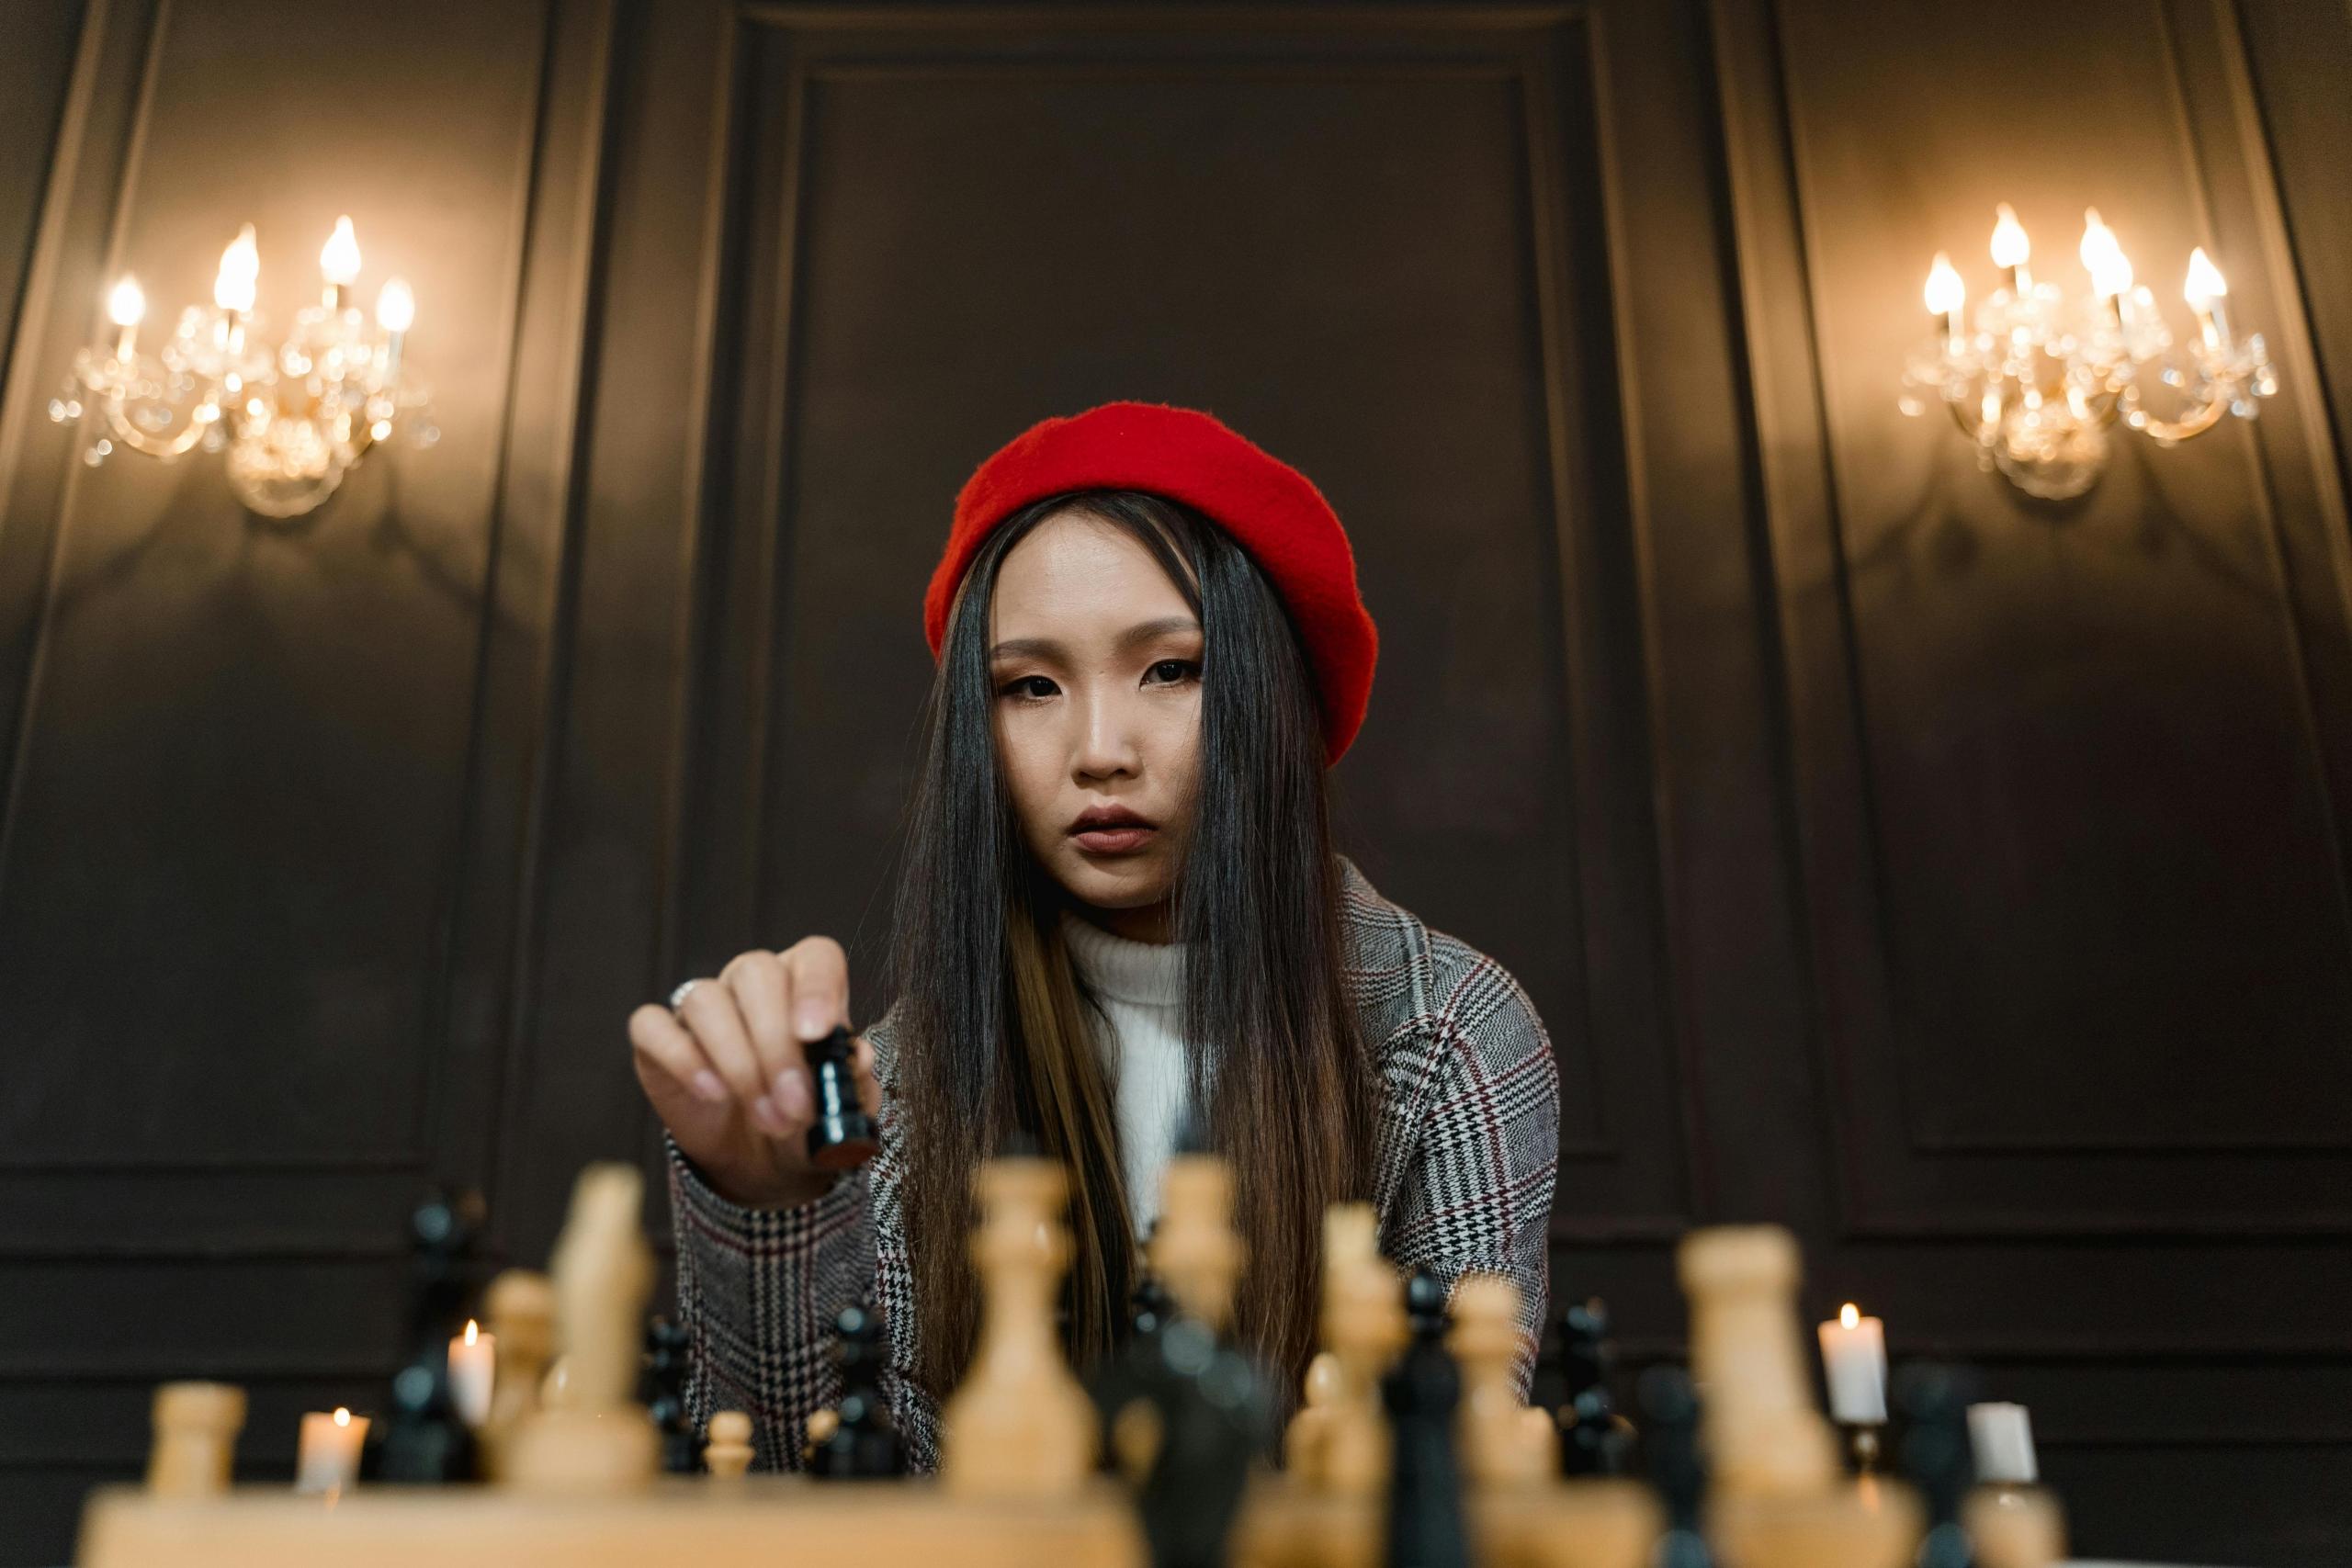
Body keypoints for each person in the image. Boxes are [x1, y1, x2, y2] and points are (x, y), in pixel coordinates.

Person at [629, 400, 1561, 1472]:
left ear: (1273, 696)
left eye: (1170, 668)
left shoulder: (1450, 1029)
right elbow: (813, 1496)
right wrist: (772, 1215)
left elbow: (1451, 1477)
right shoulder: (902, 1083)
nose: (1099, 751)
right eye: (1030, 687)